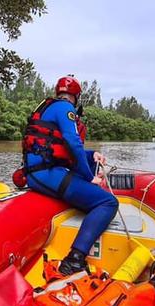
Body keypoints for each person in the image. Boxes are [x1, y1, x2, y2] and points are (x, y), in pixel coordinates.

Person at [21, 75, 119, 275]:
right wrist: (89, 177)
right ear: (76, 97)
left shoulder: (49, 108)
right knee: (108, 202)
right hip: (47, 174)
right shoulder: (66, 109)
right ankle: (74, 260)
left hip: (38, 172)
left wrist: (92, 155)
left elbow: (61, 150)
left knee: (89, 162)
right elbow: (72, 143)